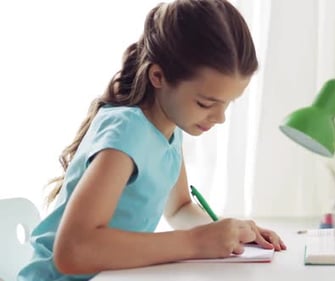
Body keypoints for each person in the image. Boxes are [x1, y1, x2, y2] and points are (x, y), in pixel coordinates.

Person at [18, 1, 286, 280]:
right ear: (158, 76)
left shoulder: (169, 130)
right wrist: (196, 243)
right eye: (206, 103)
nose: (220, 118)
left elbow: (180, 208)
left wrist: (228, 233)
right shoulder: (127, 131)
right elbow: (74, 251)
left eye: (228, 103)